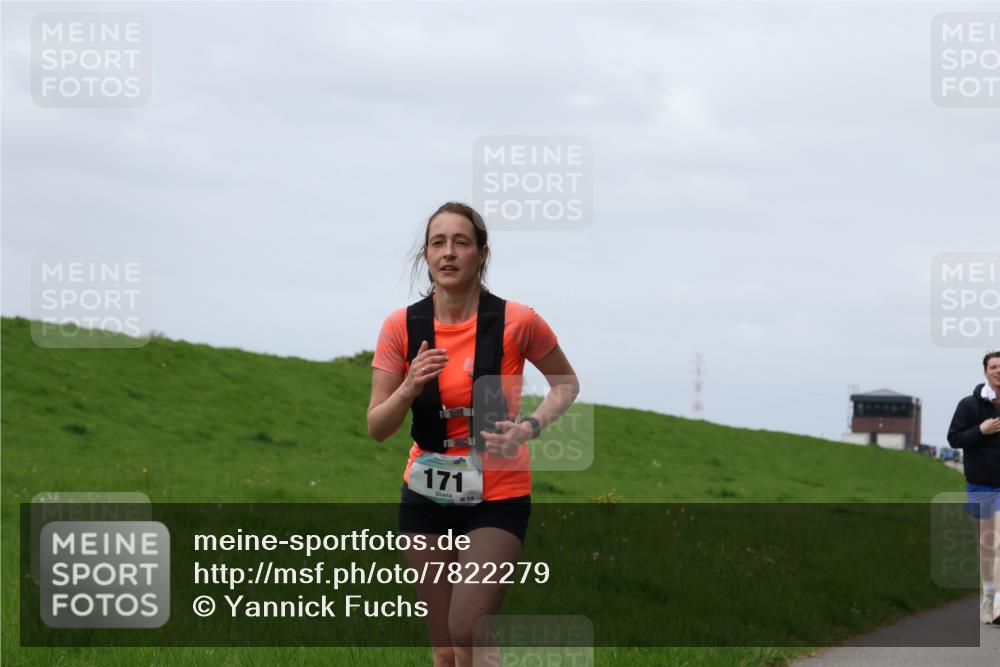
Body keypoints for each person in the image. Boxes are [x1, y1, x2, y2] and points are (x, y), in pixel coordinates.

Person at [367, 202, 580, 666]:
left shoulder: (516, 321)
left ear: (482, 253)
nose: (449, 253)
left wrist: (529, 426)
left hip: (497, 494)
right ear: (424, 255)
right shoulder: (401, 327)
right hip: (425, 492)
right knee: (446, 648)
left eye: (461, 242)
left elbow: (567, 383)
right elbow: (377, 427)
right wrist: (408, 386)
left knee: (469, 627)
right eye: (437, 243)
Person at [947, 350, 1000, 625]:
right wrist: (981, 430)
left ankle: (999, 602)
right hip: (980, 484)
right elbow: (954, 438)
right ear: (985, 372)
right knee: (987, 545)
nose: (998, 371)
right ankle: (988, 596)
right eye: (994, 367)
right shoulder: (970, 405)